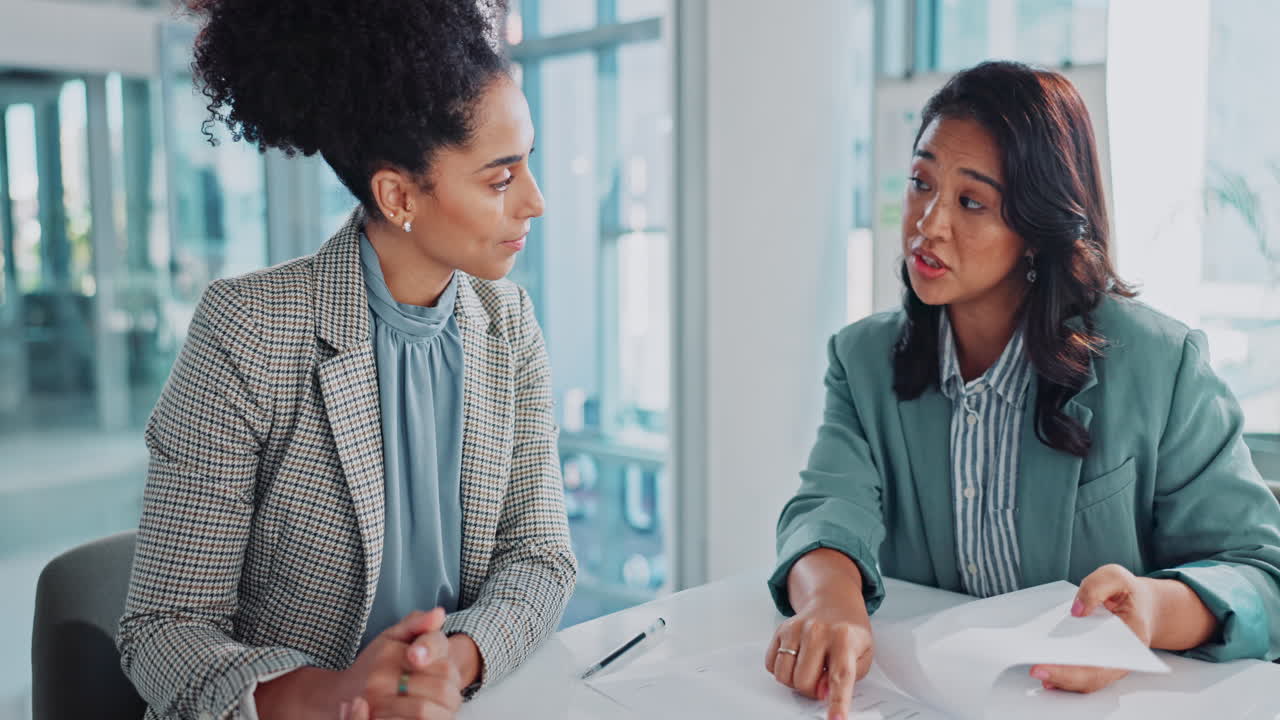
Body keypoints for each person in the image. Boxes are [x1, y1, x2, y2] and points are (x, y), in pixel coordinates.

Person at [767, 60, 1280, 720]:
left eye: (971, 202)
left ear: (1037, 230)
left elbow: (1261, 573)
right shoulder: (864, 358)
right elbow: (826, 507)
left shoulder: (1160, 363)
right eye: (922, 183)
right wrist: (829, 601)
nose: (928, 224)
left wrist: (1151, 612)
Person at [115, 1, 576, 718]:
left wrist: (444, 668)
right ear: (397, 196)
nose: (536, 203)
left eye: (529, 166)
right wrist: (338, 695)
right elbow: (163, 631)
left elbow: (539, 557)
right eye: (499, 179)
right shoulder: (250, 331)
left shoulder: (508, 325)